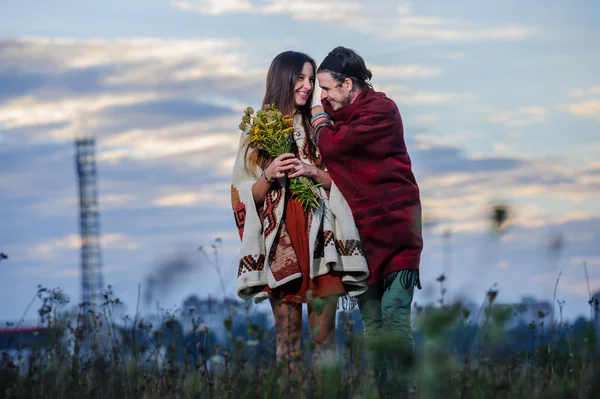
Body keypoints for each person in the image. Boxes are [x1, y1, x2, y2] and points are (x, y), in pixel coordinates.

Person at [230, 50, 370, 390]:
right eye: (301, 79)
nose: (308, 87)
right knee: (288, 339)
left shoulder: (322, 126)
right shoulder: (257, 132)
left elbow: (344, 180)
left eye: (311, 80)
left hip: (322, 243)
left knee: (324, 338)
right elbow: (241, 192)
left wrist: (313, 171)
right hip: (282, 245)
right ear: (282, 79)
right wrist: (269, 174)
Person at [310, 46, 424, 398]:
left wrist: (317, 121)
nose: (323, 97)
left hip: (396, 230)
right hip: (358, 234)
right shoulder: (339, 114)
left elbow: (337, 148)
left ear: (347, 83)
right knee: (373, 325)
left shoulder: (381, 110)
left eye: (327, 89)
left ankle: (403, 391)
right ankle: (386, 391)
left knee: (394, 316)